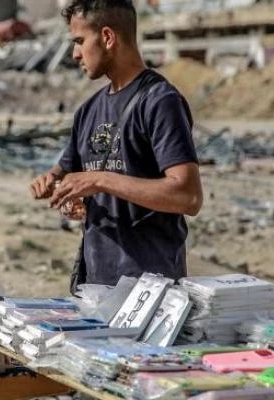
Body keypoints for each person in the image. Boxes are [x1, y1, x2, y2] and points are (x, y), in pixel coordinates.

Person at [29, 0, 203, 286]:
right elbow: (68, 176)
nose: (75, 54)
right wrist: (60, 191)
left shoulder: (160, 101)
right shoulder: (88, 111)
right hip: (95, 284)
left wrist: (99, 180)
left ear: (108, 37)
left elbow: (188, 196)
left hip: (151, 289)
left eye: (79, 41)